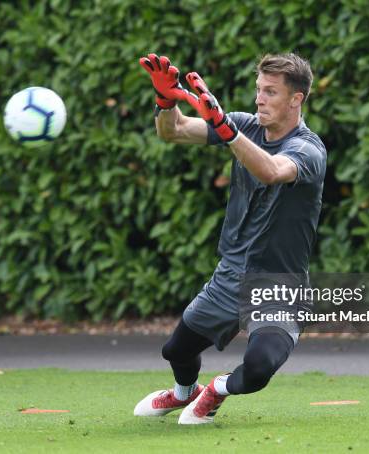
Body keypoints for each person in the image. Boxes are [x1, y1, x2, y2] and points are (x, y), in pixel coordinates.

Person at [134, 52, 326, 424]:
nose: (259, 98)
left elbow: (271, 170)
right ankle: (181, 393)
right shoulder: (244, 126)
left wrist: (228, 131)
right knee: (175, 350)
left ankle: (217, 389)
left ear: (296, 99)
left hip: (277, 286)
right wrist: (165, 100)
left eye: (270, 92)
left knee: (257, 369)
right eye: (258, 89)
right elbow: (172, 131)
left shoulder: (309, 149)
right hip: (229, 276)